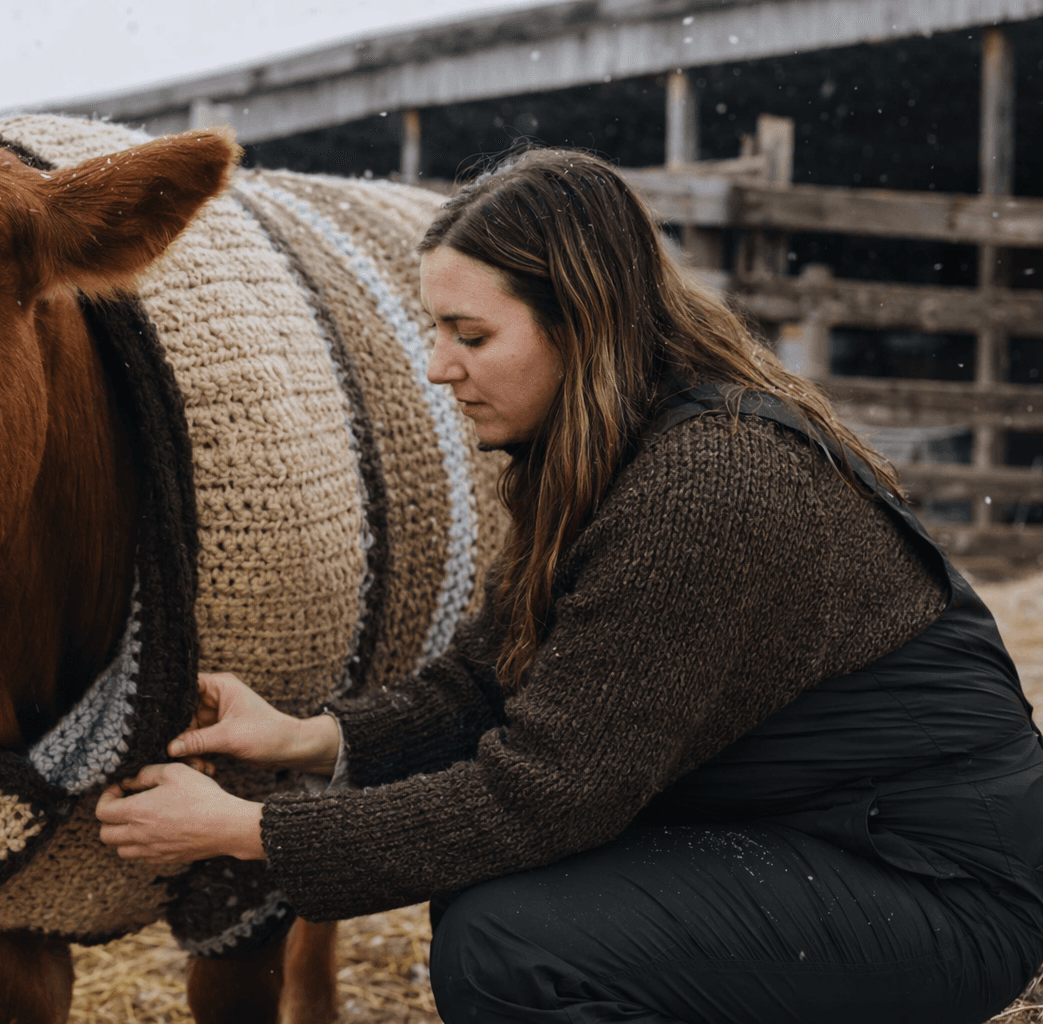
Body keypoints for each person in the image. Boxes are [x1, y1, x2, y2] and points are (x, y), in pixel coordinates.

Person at [95, 148, 1043, 1023]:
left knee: (519, 946)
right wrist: (307, 739)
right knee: (500, 904)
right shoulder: (600, 457)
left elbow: (542, 796)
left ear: (582, 324)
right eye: (437, 328)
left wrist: (245, 831)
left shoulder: (709, 487)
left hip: (934, 883)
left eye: (470, 333)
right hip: (819, 833)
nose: (437, 367)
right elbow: (485, 683)